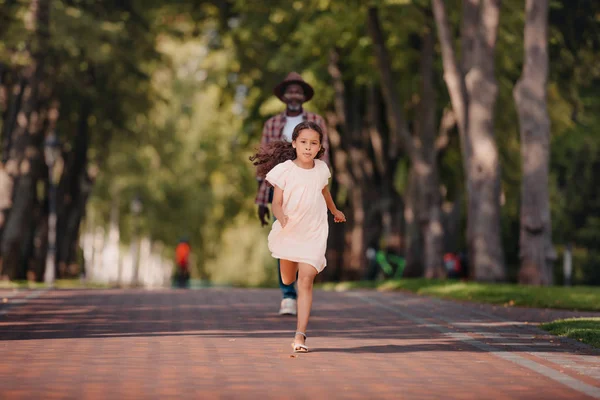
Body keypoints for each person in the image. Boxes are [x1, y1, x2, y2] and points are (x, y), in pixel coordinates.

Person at [250, 121, 345, 353]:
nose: (308, 147)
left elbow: (324, 191)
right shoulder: (284, 171)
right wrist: (281, 218)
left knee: (306, 280)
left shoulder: (322, 169)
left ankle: (300, 335)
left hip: (314, 231)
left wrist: (334, 211)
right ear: (294, 144)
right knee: (287, 278)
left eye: (313, 143)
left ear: (320, 147)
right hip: (291, 231)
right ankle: (288, 267)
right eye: (303, 142)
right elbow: (276, 203)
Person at [255, 72, 330, 316]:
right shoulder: (272, 125)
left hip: (308, 187)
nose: (294, 95)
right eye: (290, 91)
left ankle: (303, 285)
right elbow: (264, 164)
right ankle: (288, 295)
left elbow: (323, 158)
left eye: (299, 91)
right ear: (284, 96)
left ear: (304, 96)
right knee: (286, 237)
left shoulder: (316, 121)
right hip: (283, 188)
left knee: (309, 237)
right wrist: (261, 200)